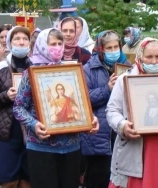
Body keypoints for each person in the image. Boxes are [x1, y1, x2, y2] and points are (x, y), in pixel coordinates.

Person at [13, 28, 99, 188]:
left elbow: (79, 103)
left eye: (60, 43)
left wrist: (90, 119)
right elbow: (18, 107)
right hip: (41, 147)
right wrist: (34, 124)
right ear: (42, 45)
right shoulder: (30, 73)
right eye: (53, 44)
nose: (58, 47)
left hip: (71, 147)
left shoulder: (71, 72)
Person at [107, 37, 158, 188]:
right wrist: (123, 125)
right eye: (149, 57)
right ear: (140, 56)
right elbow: (112, 110)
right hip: (134, 146)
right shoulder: (125, 79)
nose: (153, 62)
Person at [80, 30, 130, 188]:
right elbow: (83, 99)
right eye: (109, 48)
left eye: (116, 47)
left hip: (121, 133)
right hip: (99, 137)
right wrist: (107, 88)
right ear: (101, 49)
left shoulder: (128, 67)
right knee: (98, 180)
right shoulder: (88, 69)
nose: (114, 51)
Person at [0, 26, 32, 188]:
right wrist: (6, 96)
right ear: (10, 42)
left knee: (28, 178)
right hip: (8, 130)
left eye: (25, 39)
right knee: (9, 179)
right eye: (17, 39)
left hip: (31, 129)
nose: (21, 42)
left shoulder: (36, 68)